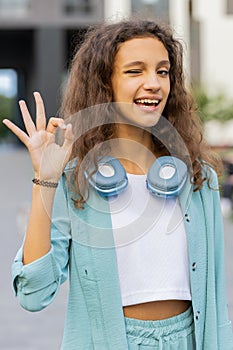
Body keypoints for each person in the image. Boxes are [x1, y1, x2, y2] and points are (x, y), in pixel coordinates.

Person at [3, 19, 233, 350]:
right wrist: (46, 180)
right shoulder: (76, 180)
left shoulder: (198, 178)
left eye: (163, 71)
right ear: (104, 83)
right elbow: (33, 293)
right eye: (135, 71)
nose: (154, 83)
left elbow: (215, 296)